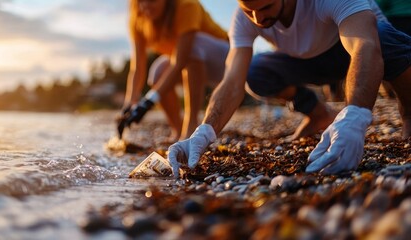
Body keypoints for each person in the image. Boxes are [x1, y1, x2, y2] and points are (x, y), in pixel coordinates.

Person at [168, 0, 411, 177]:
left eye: (266, 8)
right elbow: (232, 80)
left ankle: (408, 110)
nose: (258, 19)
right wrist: (204, 132)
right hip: (306, 62)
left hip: (360, 51)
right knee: (254, 73)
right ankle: (319, 114)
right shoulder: (247, 16)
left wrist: (355, 117)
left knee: (380, 36)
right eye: (249, 11)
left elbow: (365, 46)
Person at [117, 0, 230, 141]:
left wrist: (148, 102)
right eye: (140, 1)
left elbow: (180, 62)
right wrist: (130, 103)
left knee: (193, 45)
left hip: (226, 63)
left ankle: (191, 124)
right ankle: (178, 130)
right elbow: (138, 67)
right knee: (158, 73)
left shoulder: (187, 5)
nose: (146, 5)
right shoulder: (138, 18)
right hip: (188, 62)